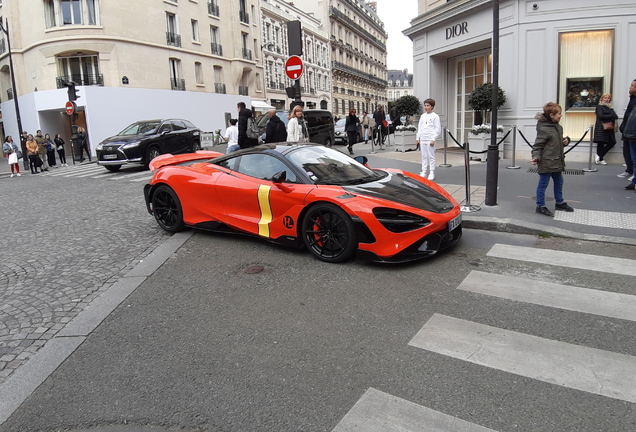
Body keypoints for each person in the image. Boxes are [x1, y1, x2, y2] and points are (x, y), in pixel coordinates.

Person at [531, 102, 574, 216]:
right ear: (552, 115)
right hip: (546, 162)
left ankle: (559, 203)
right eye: (559, 113)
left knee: (559, 182)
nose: (561, 115)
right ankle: (540, 205)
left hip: (557, 161)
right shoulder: (544, 129)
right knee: (543, 184)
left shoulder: (558, 127)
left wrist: (565, 142)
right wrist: (536, 157)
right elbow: (538, 146)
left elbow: (555, 144)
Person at [416, 98, 441, 181]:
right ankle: (423, 171)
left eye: (428, 106)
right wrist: (418, 137)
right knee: (424, 156)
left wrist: (433, 139)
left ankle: (432, 171)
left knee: (431, 156)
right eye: (425, 105)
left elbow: (437, 129)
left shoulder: (435, 116)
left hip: (430, 139)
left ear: (432, 106)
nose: (426, 107)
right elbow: (420, 127)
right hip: (423, 139)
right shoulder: (423, 116)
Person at [619, 79, 636, 186]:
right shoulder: (632, 99)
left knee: (634, 156)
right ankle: (629, 171)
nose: (630, 87)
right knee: (627, 152)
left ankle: (634, 176)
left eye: (633, 86)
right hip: (627, 131)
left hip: (633, 133)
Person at [592, 94, 618, 165]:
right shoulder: (599, 107)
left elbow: (616, 116)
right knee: (601, 142)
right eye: (605, 98)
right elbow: (600, 116)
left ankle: (599, 156)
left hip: (609, 127)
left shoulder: (610, 107)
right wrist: (610, 116)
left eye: (608, 98)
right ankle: (600, 159)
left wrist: (609, 115)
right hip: (601, 127)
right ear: (602, 99)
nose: (607, 99)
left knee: (612, 142)